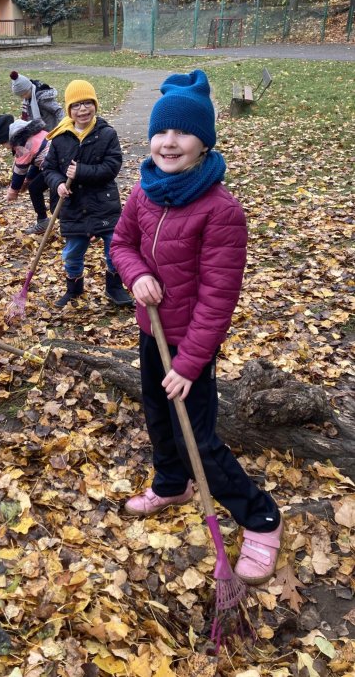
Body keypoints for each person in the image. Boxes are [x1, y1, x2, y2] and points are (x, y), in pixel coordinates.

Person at [110, 69, 282, 585]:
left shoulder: (220, 210)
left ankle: (261, 517)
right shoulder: (144, 193)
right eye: (162, 132)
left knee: (198, 440)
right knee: (158, 419)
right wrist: (137, 274)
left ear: (203, 142)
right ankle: (171, 483)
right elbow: (121, 244)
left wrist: (189, 364)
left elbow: (218, 299)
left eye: (182, 133)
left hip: (191, 346)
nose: (169, 142)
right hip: (152, 330)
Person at [42, 79, 133, 308]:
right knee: (73, 253)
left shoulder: (106, 133)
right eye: (76, 105)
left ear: (95, 105)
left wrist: (81, 171)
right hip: (73, 207)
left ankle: (114, 287)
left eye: (87, 103)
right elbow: (49, 169)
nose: (82, 109)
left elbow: (112, 166)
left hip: (103, 204)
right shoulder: (60, 137)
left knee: (114, 248)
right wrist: (59, 184)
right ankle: (74, 288)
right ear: (69, 109)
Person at [0, 114, 51, 234]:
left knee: (35, 188)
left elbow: (19, 171)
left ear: (7, 138)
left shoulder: (22, 144)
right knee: (34, 185)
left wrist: (13, 191)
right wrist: (28, 179)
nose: (4, 147)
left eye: (3, 144)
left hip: (56, 166)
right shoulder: (30, 133)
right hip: (50, 162)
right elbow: (37, 160)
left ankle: (43, 221)